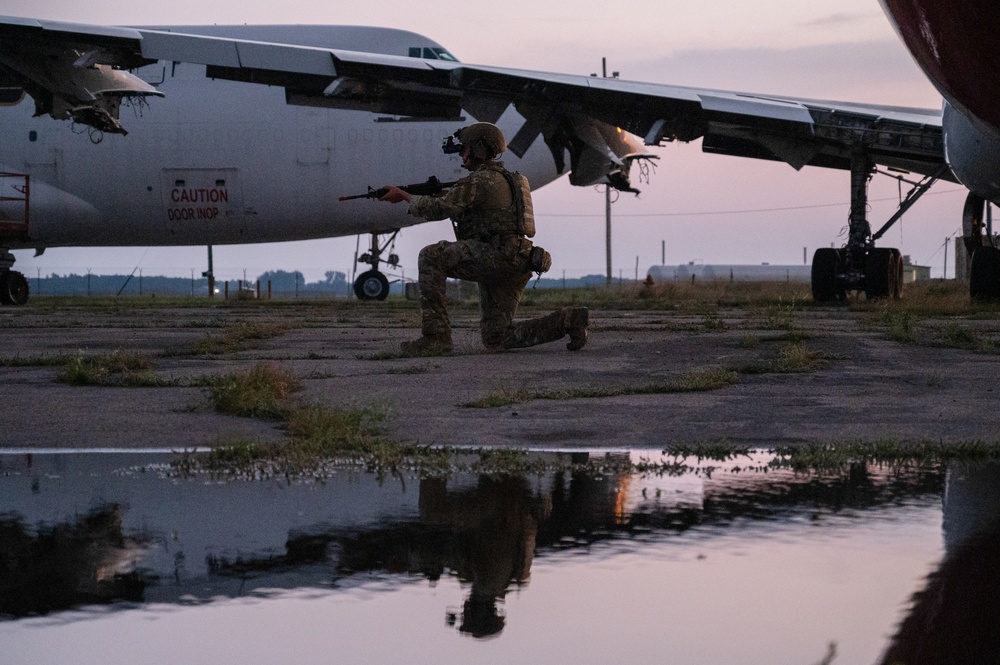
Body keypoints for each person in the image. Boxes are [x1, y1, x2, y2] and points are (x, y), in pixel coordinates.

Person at [380, 122, 589, 356]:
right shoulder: (512, 180)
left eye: (465, 148)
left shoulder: (480, 180)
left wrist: (406, 197)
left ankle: (436, 338)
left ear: (479, 149)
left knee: (430, 257)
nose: (461, 153)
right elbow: (477, 206)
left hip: (493, 256)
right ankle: (568, 320)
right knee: (496, 338)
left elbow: (440, 209)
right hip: (519, 260)